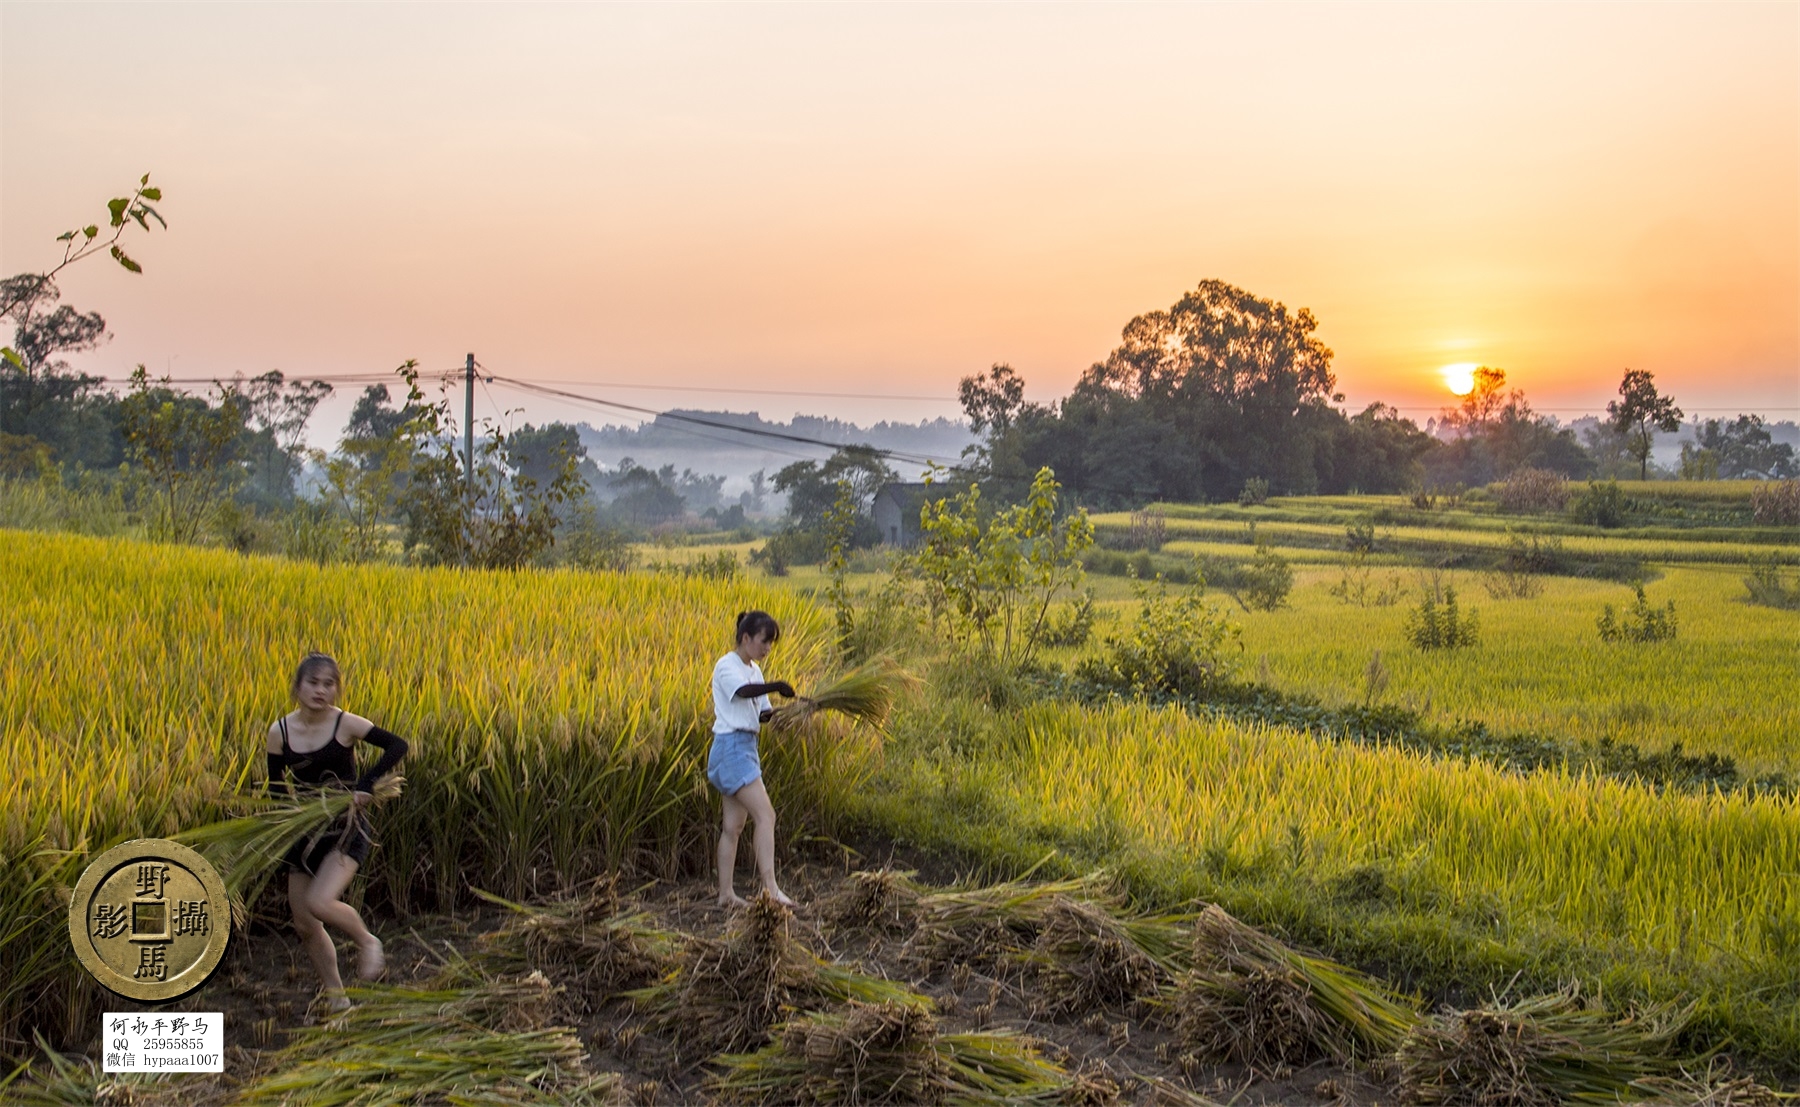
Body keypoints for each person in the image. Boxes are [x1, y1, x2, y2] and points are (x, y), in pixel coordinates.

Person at [265, 652, 408, 1013]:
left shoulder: (345, 724)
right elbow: (276, 790)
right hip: (304, 833)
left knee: (319, 902)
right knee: (304, 922)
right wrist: (286, 816)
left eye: (329, 684)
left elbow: (397, 745)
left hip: (345, 827)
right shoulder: (280, 732)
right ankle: (337, 997)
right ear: (297, 687)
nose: (321, 690)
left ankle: (367, 940)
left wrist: (366, 784)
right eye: (313, 683)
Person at [708, 610, 799, 909]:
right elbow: (744, 693)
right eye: (764, 641)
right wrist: (775, 685)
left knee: (733, 826)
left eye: (771, 643)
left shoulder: (755, 670)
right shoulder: (727, 665)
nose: (767, 648)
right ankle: (770, 888)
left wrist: (789, 711)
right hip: (731, 747)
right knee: (766, 816)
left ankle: (725, 895)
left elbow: (762, 713)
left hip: (746, 746)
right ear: (745, 638)